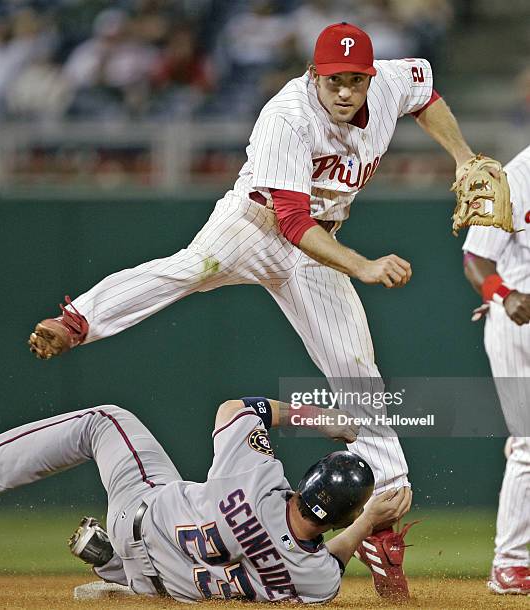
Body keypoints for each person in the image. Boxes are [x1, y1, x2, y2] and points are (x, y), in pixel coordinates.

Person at [28, 21, 486, 598]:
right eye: (334, 80)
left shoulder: (387, 85)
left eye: (356, 81)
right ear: (313, 74)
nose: (346, 92)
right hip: (256, 224)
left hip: (321, 249)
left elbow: (427, 92)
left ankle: (383, 535)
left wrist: (465, 158)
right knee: (191, 269)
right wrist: (364, 266)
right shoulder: (287, 116)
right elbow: (293, 222)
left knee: (358, 375)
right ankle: (79, 321)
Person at [0, 397, 408, 603]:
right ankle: (113, 566)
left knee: (104, 421)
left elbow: (238, 409)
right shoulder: (317, 581)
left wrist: (318, 419)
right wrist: (366, 520)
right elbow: (329, 557)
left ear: (307, 480)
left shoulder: (256, 481)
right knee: (208, 579)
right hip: (164, 583)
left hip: (138, 515)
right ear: (340, 519)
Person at [462, 144, 530, 596]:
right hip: (518, 319)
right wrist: (502, 294)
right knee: (529, 442)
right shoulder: (512, 176)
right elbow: (475, 258)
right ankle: (511, 562)